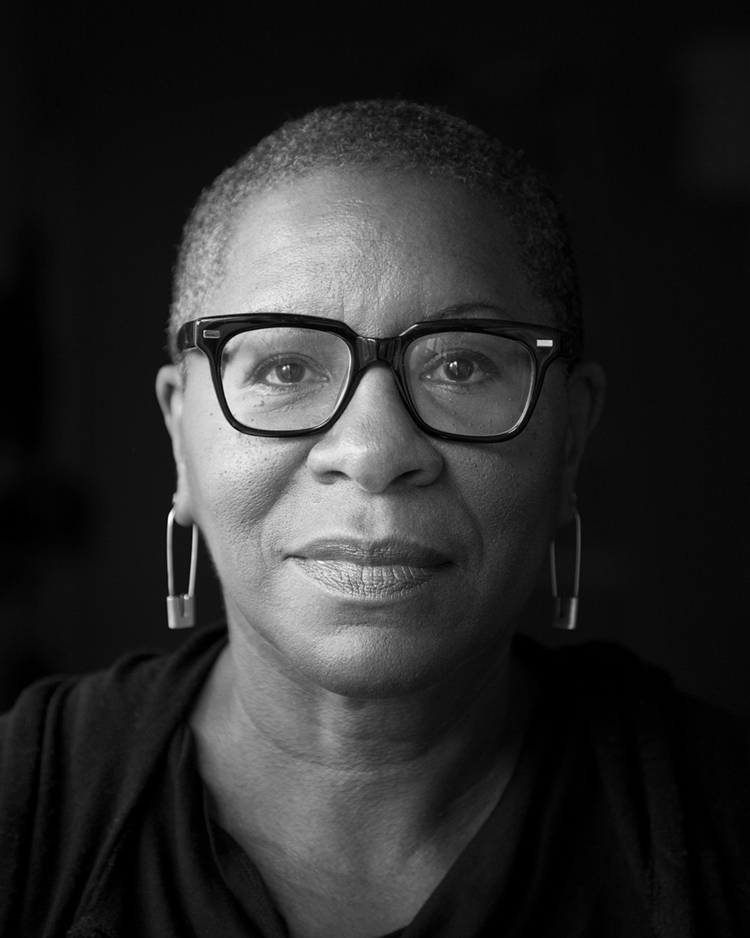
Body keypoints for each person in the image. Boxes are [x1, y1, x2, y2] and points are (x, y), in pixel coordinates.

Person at [1, 100, 748, 938]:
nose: (373, 450)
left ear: (569, 436)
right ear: (181, 434)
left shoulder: (718, 827)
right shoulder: (25, 809)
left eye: (460, 366)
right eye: (287, 368)